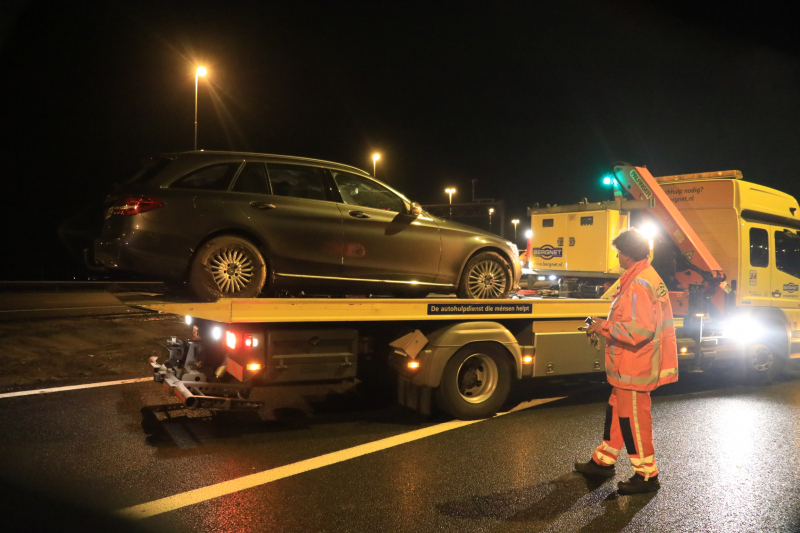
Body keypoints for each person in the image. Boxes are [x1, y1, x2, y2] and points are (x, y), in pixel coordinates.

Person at [574, 228, 678, 495]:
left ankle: (646, 476)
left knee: (633, 420)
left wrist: (603, 326)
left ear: (629, 255)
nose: (617, 257)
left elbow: (638, 331)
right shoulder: (643, 277)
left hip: (634, 366)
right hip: (631, 367)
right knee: (619, 412)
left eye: (619, 252)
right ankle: (603, 460)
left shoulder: (638, 284)